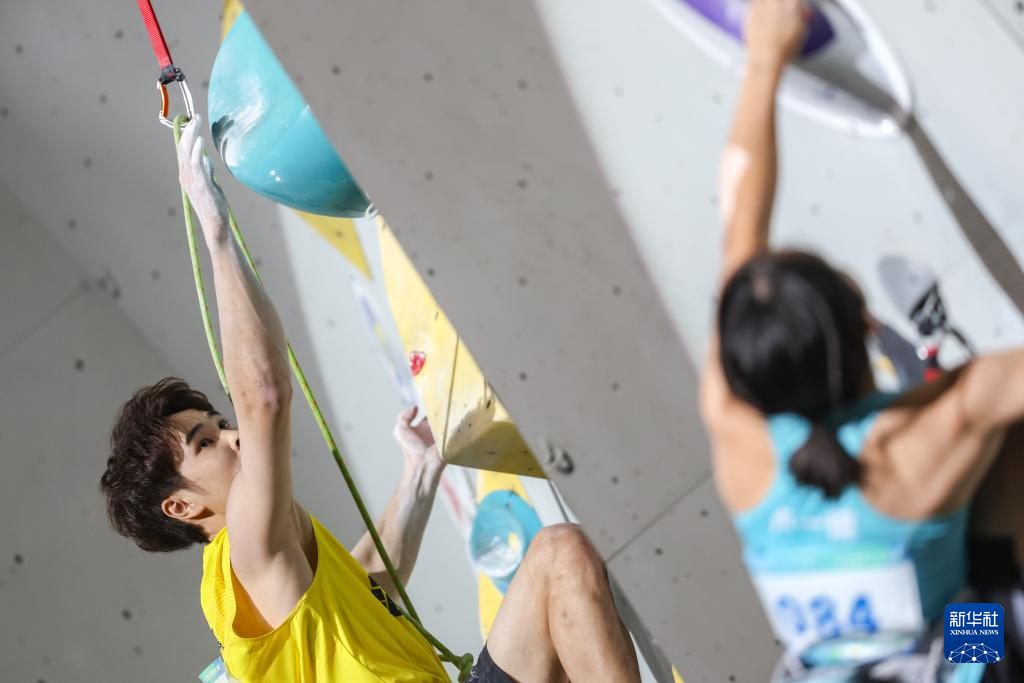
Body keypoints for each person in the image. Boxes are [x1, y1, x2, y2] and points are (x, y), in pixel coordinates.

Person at [99, 116, 641, 683]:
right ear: (181, 508)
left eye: (220, 422)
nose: (233, 436)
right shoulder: (244, 554)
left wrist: (419, 474)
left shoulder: (278, 563)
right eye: (206, 443)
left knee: (560, 556)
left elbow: (369, 584)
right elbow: (264, 396)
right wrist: (215, 231)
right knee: (560, 554)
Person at [699, 0, 1024, 680]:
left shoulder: (735, 431)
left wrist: (763, 62)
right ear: (868, 330)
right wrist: (766, 55)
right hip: (962, 656)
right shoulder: (927, 438)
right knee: (1005, 446)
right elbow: (738, 238)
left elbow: (739, 244)